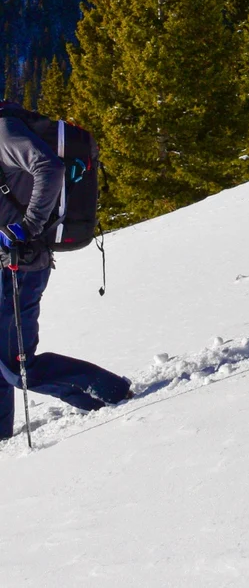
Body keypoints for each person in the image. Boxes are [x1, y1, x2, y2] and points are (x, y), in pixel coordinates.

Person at [0, 110, 131, 440]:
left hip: (20, 265)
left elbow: (50, 167)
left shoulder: (4, 131)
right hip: (7, 261)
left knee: (17, 366)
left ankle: (111, 393)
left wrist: (28, 227)